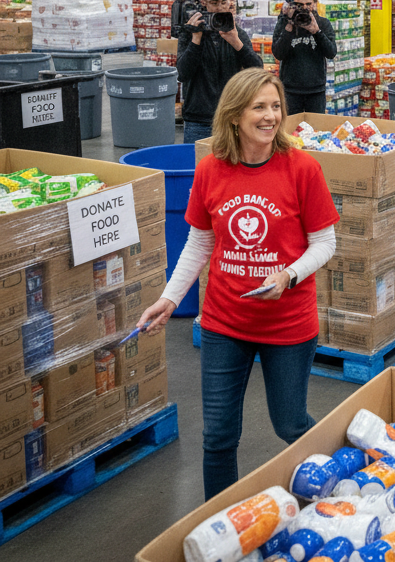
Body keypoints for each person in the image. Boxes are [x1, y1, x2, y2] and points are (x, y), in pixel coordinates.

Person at [138, 69, 338, 500]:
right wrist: (169, 299)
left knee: (291, 424)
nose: (270, 117)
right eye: (259, 107)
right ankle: (219, 527)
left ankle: (342, 482)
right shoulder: (212, 170)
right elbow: (199, 242)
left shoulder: (302, 168)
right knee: (218, 436)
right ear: (234, 115)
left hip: (287, 323)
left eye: (275, 106)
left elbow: (325, 243)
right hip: (224, 322)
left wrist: (288, 275)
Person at [176, 0, 264, 144]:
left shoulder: (237, 32)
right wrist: (196, 38)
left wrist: (236, 42)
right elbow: (182, 73)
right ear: (203, 3)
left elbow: (257, 70)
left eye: (224, 2)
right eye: (214, 3)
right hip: (198, 118)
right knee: (198, 167)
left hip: (231, 117)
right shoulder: (189, 32)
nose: (220, 7)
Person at [272, 0, 338, 116]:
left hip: (316, 90)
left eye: (308, 4)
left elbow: (331, 53)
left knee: (316, 128)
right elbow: (278, 53)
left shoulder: (323, 24)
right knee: (289, 129)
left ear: (315, 4)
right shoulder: (284, 23)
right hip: (290, 90)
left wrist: (316, 32)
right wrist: (289, 26)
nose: (305, 8)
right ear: (293, 5)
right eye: (300, 4)